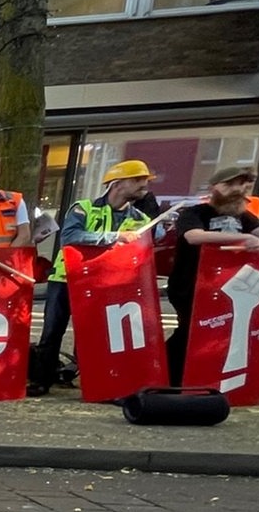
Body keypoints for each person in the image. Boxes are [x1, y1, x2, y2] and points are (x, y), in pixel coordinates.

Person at [29, 160, 163, 396]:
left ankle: (94, 380)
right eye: (138, 180)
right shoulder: (84, 208)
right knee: (52, 332)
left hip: (106, 283)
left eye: (145, 181)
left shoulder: (140, 216)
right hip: (66, 278)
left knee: (97, 333)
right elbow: (70, 236)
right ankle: (42, 380)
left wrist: (156, 220)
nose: (144, 185)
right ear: (117, 184)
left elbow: (155, 239)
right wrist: (114, 236)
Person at [166, 166, 259, 384]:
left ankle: (206, 376)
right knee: (190, 330)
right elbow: (193, 236)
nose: (236, 190)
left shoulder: (244, 217)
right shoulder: (194, 213)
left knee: (220, 331)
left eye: (240, 184)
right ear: (214, 188)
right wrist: (241, 239)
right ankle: (170, 376)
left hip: (228, 285)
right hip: (191, 284)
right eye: (228, 185)